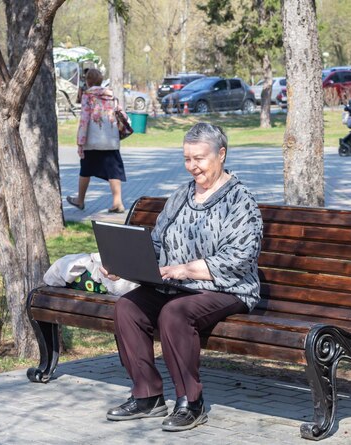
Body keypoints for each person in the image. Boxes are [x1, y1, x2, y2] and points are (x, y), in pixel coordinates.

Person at [102, 123, 263, 432]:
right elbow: (159, 242)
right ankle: (147, 395)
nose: (192, 167)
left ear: (221, 155)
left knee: (174, 313)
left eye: (199, 159)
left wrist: (186, 269)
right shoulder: (181, 195)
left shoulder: (240, 201)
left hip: (228, 288)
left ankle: (191, 401)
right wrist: (123, 263)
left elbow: (238, 260)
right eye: (187, 158)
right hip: (177, 286)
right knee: (128, 307)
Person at [66, 68, 126, 213]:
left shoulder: (88, 96)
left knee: (85, 170)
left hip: (92, 141)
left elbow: (85, 119)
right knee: (113, 171)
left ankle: (80, 200)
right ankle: (118, 203)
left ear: (87, 81)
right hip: (110, 140)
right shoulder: (111, 95)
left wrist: (80, 141)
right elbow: (121, 114)